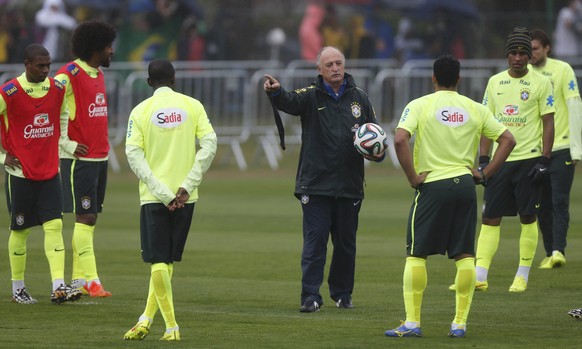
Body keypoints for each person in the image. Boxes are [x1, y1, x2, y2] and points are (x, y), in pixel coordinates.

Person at [384, 54, 515, 339]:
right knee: (465, 254)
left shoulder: (419, 105)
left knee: (416, 254)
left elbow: (399, 139)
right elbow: (508, 139)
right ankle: (459, 324)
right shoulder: (472, 107)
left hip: (433, 186)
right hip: (465, 186)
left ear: (433, 78)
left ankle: (412, 322)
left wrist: (412, 177)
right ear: (459, 79)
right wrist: (485, 172)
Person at [264, 46, 384, 313]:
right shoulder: (309, 95)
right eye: (329, 64)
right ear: (319, 69)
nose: (335, 68)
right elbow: (288, 101)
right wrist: (276, 91)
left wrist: (378, 152)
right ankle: (310, 296)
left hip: (350, 185)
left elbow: (374, 135)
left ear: (344, 65)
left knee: (345, 245)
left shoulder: (360, 98)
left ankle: (342, 294)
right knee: (315, 241)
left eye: (338, 63)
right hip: (315, 184)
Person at [123, 59, 217, 341]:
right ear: (174, 79)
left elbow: (133, 154)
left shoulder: (140, 111)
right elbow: (210, 144)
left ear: (149, 82)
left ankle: (172, 327)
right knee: (166, 262)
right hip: (186, 196)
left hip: (154, 198)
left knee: (158, 262)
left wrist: (162, 192)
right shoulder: (193, 105)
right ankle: (146, 319)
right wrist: (187, 185)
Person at [467, 27, 555, 293]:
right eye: (513, 53)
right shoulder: (495, 82)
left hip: (529, 159)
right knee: (490, 218)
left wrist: (546, 159)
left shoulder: (541, 83)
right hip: (499, 162)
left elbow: (548, 122)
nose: (517, 58)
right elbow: (486, 123)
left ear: (530, 57)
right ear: (507, 55)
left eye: (522, 53)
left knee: (528, 217)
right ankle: (480, 275)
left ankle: (522, 274)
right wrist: (483, 159)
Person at [0, 43, 82, 304]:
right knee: (21, 231)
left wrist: (65, 143)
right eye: (40, 66)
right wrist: (2, 157)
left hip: (50, 172)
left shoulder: (57, 89)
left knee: (55, 225)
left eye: (48, 65)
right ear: (26, 63)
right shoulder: (9, 92)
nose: (46, 70)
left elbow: (63, 116)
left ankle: (58, 286)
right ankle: (18, 288)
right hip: (20, 174)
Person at [55, 19, 117, 297]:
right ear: (96, 48)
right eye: (108, 46)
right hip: (78, 160)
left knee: (90, 219)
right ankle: (92, 281)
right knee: (85, 215)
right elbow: (47, 112)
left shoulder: (98, 74)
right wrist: (66, 143)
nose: (112, 51)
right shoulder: (66, 75)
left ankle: (78, 280)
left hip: (99, 157)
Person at [529, 29, 582, 269]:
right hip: (535, 151)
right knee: (541, 206)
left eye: (536, 49)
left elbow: (574, 105)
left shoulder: (563, 70)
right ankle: (549, 251)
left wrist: (577, 148)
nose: (531, 54)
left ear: (547, 48)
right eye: (529, 49)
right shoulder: (525, 74)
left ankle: (559, 251)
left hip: (561, 147)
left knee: (560, 201)